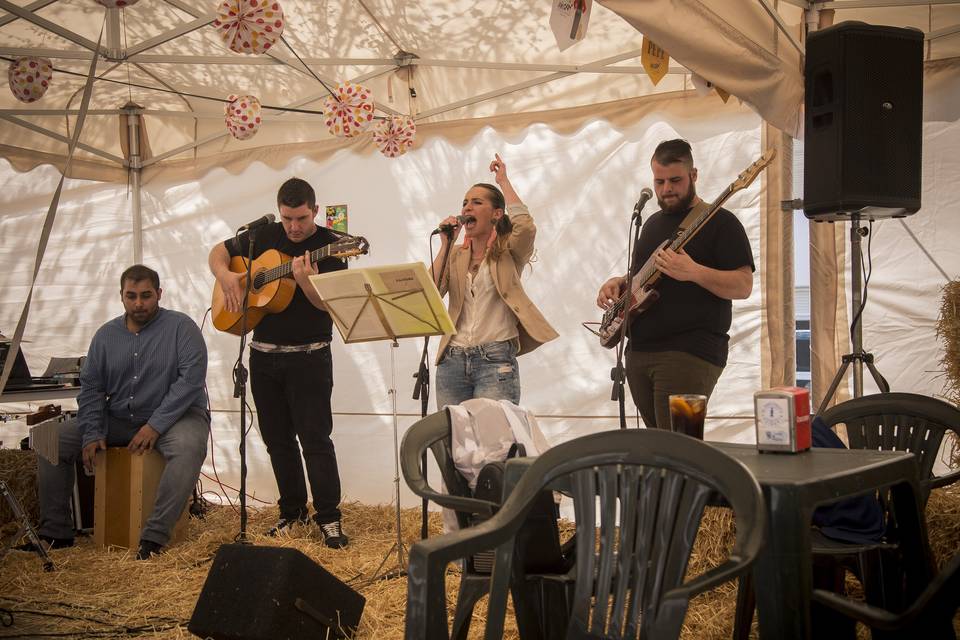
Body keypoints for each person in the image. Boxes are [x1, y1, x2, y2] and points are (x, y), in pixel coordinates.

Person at [26, 265, 209, 560]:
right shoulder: (105, 336)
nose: (139, 303)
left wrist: (155, 426)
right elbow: (91, 388)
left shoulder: (181, 328)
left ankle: (154, 538)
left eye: (146, 296)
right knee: (51, 440)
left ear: (159, 294)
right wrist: (93, 432)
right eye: (131, 296)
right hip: (121, 418)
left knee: (190, 447)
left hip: (177, 417)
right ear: (121, 296)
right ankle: (56, 533)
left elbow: (190, 382)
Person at [208, 177, 349, 548]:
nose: (294, 227)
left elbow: (329, 306)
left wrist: (304, 282)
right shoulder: (263, 236)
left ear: (316, 211)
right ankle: (292, 512)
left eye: (301, 218)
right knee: (277, 441)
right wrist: (229, 278)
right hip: (263, 356)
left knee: (315, 439)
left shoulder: (333, 246)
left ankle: (329, 518)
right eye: (288, 218)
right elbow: (217, 253)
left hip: (310, 357)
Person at [596, 139, 754, 435]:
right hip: (640, 353)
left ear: (694, 175)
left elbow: (743, 285)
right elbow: (640, 278)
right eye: (659, 181)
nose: (666, 188)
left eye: (675, 180)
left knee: (683, 446)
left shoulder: (721, 222)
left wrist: (694, 271)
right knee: (660, 448)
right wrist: (618, 283)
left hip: (690, 353)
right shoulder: (652, 223)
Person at [432, 154, 558, 409]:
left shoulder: (509, 252)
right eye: (465, 202)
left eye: (476, 202)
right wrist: (446, 244)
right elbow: (430, 292)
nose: (467, 208)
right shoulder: (455, 255)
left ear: (496, 214)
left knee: (494, 441)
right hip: (452, 360)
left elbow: (525, 226)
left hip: (495, 359)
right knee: (454, 441)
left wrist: (503, 181)